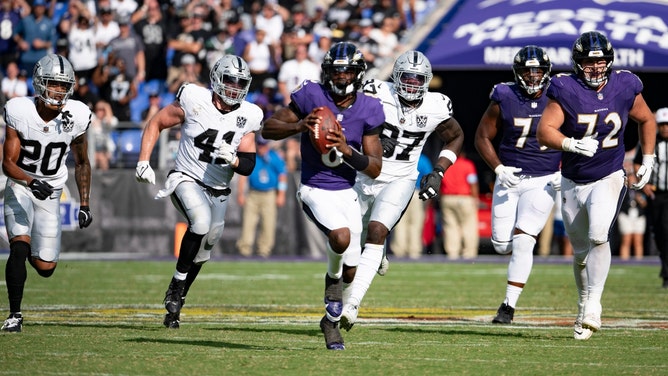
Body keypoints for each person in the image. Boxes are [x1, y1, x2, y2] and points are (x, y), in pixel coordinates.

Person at [262, 42, 384, 350]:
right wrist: (300, 125)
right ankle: (332, 283)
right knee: (340, 239)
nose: (341, 77)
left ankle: (329, 322)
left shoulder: (369, 108)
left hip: (348, 191)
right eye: (335, 71)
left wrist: (346, 151)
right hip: (315, 187)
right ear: (326, 72)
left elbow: (374, 168)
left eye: (347, 71)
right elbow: (268, 127)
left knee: (353, 269)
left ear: (358, 74)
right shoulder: (311, 96)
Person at [536, 31, 656, 340]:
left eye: (601, 61)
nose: (596, 67)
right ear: (577, 64)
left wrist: (649, 158)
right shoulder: (565, 88)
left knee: (598, 235)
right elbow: (544, 131)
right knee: (579, 253)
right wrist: (571, 144)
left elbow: (646, 119)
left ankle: (594, 305)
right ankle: (582, 304)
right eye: (589, 62)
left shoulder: (625, 84)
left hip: (609, 174)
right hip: (574, 179)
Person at [340, 50, 464, 331]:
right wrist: (368, 141)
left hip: (401, 178)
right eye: (407, 78)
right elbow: (347, 122)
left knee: (376, 231)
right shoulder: (375, 91)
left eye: (418, 79)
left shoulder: (436, 106)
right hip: (363, 174)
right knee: (347, 240)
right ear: (396, 77)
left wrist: (439, 170)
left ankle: (352, 303)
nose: (412, 84)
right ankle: (371, 258)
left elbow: (456, 136)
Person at [135, 54, 262, 329]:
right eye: (229, 80)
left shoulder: (249, 114)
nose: (234, 87)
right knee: (201, 223)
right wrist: (144, 160)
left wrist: (235, 160)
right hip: (186, 177)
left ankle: (176, 303)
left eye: (240, 83)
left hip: (219, 188)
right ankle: (176, 285)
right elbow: (156, 122)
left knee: (204, 251)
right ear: (216, 78)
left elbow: (249, 165)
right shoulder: (195, 99)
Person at [1, 54, 93, 333]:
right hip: (21, 184)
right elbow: (7, 163)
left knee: (45, 266)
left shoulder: (76, 115)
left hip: (51, 190)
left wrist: (85, 203)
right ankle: (14, 315)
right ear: (40, 84)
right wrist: (29, 182)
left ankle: (33, 250)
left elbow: (82, 162)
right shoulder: (19, 110)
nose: (59, 91)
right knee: (18, 246)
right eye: (53, 84)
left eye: (64, 86)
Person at [474, 45, 561, 325]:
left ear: (547, 72)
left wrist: (566, 169)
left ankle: (508, 306)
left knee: (524, 241)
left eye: (538, 70)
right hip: (509, 178)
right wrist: (498, 167)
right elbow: (482, 137)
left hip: (544, 179)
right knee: (501, 244)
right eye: (527, 70)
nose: (533, 76)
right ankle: (512, 275)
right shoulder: (504, 95)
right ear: (517, 72)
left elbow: (579, 134)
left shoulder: (560, 96)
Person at [235, 135, 287, 258]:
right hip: (253, 194)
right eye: (259, 144)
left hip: (269, 194)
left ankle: (264, 250)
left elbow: (282, 176)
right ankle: (245, 249)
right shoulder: (253, 157)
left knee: (268, 223)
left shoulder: (274, 157)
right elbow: (243, 176)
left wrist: (281, 194)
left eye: (263, 144)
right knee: (248, 222)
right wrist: (241, 193)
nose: (261, 147)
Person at [636, 107, 668, 287]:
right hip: (656, 195)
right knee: (661, 234)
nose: (664, 128)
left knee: (666, 230)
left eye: (667, 125)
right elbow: (636, 164)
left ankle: (666, 272)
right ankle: (665, 271)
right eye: (662, 125)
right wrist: (644, 183)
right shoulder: (650, 141)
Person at [389, 153, 432, 259]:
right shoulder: (423, 159)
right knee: (415, 224)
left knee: (401, 224)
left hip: (401, 193)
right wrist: (427, 203)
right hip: (416, 193)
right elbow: (429, 179)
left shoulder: (402, 157)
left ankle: (399, 251)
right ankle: (414, 251)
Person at [439, 151, 479, 260]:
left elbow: (439, 183)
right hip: (464, 198)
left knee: (450, 227)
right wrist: (475, 198)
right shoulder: (467, 164)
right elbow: (473, 183)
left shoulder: (445, 165)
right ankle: (469, 254)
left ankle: (452, 253)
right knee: (468, 226)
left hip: (447, 198)